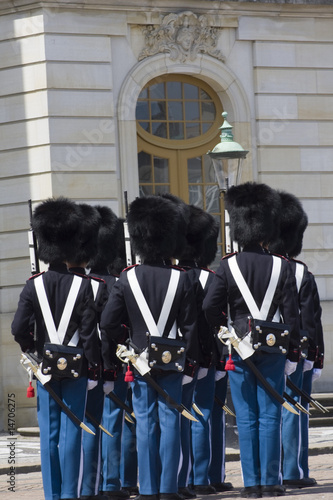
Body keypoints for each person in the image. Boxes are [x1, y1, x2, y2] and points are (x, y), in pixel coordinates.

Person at [203, 182, 301, 499]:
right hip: (273, 347)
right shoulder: (282, 265)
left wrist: (224, 332)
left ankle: (253, 483)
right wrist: (293, 354)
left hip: (239, 346)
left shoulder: (227, 265)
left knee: (246, 419)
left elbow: (209, 307)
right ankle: (272, 482)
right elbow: (292, 314)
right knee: (271, 415)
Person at [100, 194, 199, 500]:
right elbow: (190, 328)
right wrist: (189, 364)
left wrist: (125, 346)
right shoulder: (182, 279)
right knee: (170, 421)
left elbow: (108, 322)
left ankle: (149, 489)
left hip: (140, 361)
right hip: (173, 361)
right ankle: (169, 488)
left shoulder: (127, 278)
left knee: (145, 423)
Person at [11, 197, 101, 500]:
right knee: (72, 429)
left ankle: (52, 495)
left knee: (49, 435)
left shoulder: (32, 283)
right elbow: (89, 333)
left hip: (45, 369)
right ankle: (69, 495)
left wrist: (33, 352)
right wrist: (93, 366)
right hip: (77, 367)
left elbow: (18, 329)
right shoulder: (84, 285)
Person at [268, 192, 317, 490]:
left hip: (263, 348)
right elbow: (309, 317)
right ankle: (294, 470)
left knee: (267, 412)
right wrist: (312, 354)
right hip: (295, 348)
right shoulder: (300, 272)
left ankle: (268, 472)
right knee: (295, 408)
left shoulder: (258, 267)